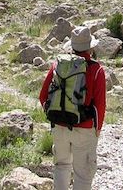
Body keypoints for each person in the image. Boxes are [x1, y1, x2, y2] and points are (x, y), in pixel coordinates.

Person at [39, 26, 106, 190]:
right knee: (83, 174)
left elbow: (43, 97)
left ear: (72, 46)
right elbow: (100, 106)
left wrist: (57, 115)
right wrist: (97, 129)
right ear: (90, 47)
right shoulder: (96, 70)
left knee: (61, 166)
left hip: (59, 125)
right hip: (84, 128)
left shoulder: (58, 65)